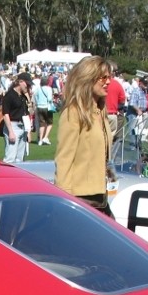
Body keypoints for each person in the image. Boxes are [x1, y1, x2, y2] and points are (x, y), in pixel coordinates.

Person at [54, 56, 114, 216]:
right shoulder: (73, 113)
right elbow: (64, 160)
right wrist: (64, 202)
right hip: (80, 199)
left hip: (101, 197)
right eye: (103, 77)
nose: (108, 82)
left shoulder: (101, 112)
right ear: (88, 78)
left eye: (110, 77)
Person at [1, 72, 31, 163]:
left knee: (20, 158)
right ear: (20, 82)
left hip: (23, 126)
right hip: (13, 126)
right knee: (10, 157)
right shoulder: (10, 95)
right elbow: (5, 114)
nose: (28, 86)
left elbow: (26, 113)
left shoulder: (23, 96)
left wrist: (28, 131)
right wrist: (10, 131)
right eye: (27, 84)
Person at [33, 74, 55, 145]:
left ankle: (40, 140)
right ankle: (45, 137)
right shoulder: (49, 89)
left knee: (42, 124)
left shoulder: (38, 89)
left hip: (39, 107)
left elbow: (35, 97)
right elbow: (49, 99)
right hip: (47, 107)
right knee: (50, 123)